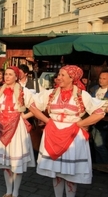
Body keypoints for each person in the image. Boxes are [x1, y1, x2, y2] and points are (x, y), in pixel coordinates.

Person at [29, 65, 105, 197]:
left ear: (72, 78)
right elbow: (32, 105)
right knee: (56, 171)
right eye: (59, 74)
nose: (59, 77)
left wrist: (80, 123)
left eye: (62, 75)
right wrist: (47, 121)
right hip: (53, 133)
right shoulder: (51, 93)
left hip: (73, 136)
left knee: (70, 172)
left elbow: (99, 113)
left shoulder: (82, 95)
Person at [0, 66, 35, 197]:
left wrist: (24, 116)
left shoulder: (24, 91)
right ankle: (8, 191)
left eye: (10, 74)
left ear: (16, 77)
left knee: (16, 160)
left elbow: (36, 107)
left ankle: (16, 191)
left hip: (17, 126)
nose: (6, 77)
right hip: (1, 126)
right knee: (5, 161)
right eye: (6, 74)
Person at [90, 69, 108, 172]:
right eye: (100, 78)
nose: (101, 80)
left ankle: (104, 165)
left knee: (99, 144)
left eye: (104, 78)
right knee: (96, 144)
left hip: (104, 121)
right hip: (93, 120)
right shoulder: (94, 89)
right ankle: (98, 164)